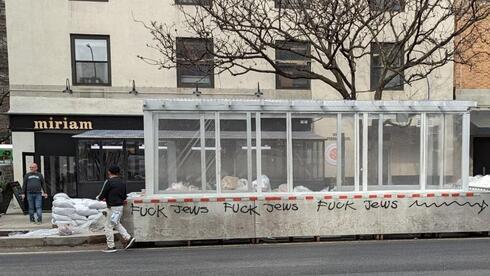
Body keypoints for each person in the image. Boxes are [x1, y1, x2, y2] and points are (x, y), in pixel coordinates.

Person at [96, 164, 135, 252]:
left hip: (112, 208)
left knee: (108, 226)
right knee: (116, 223)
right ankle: (128, 238)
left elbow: (102, 194)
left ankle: (111, 246)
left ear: (109, 172)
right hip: (119, 207)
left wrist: (98, 198)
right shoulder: (122, 182)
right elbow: (124, 196)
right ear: (118, 172)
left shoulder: (108, 182)